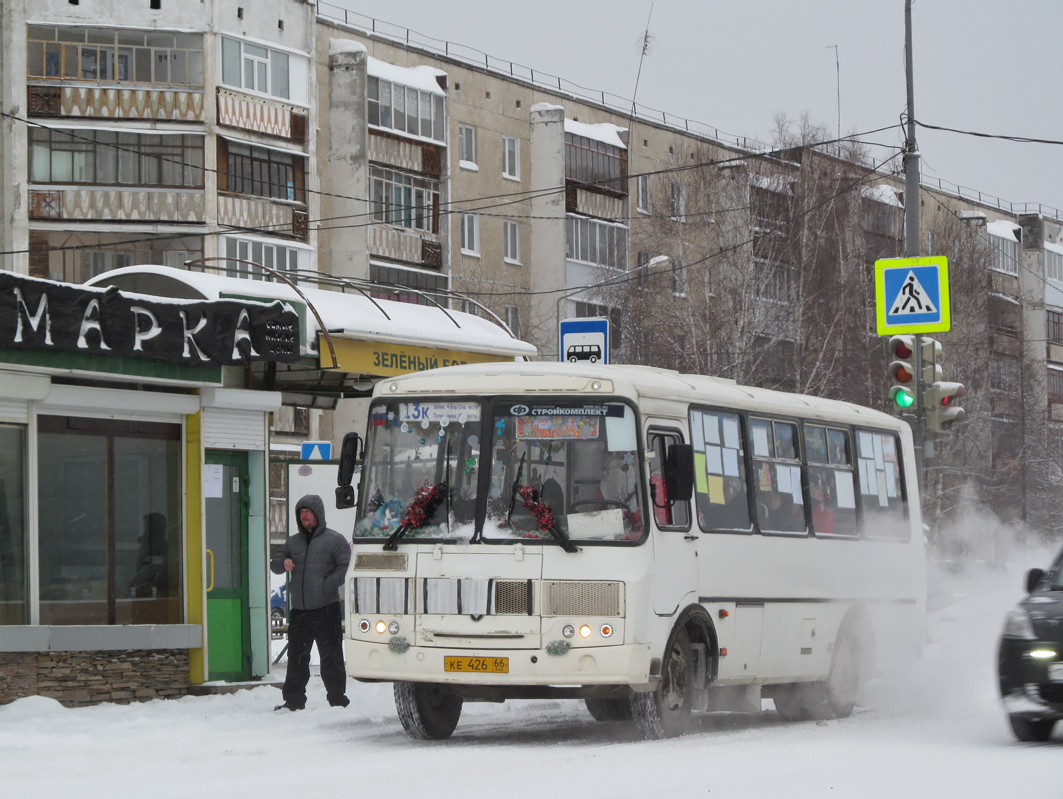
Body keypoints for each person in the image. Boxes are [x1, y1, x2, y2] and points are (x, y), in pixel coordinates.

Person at [270, 494, 351, 711]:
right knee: (296, 657)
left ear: (318, 515)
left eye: (308, 512)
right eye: (301, 513)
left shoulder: (335, 540)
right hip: (300, 611)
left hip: (327, 608)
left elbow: (345, 568)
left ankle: (337, 700)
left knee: (331, 656)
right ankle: (294, 701)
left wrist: (326, 585)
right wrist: (283, 562)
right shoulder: (293, 542)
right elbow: (275, 564)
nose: (304, 516)